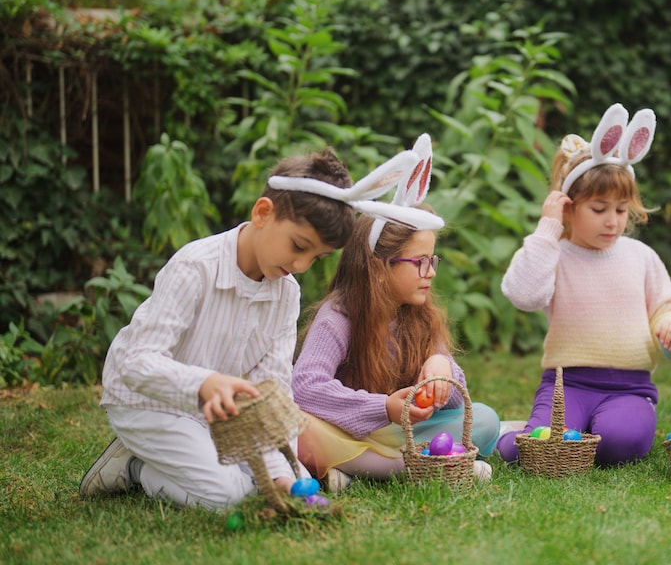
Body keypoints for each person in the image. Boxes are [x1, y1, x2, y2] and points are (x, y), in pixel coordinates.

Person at [79, 145, 424, 509]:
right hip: (148, 401)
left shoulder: (285, 292)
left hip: (213, 413)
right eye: (298, 246)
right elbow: (136, 363)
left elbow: (272, 388)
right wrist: (204, 383)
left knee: (297, 481)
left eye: (317, 257)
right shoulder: (196, 267)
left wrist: (281, 474)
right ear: (263, 212)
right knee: (227, 496)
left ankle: (199, 459)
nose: (302, 265)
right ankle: (135, 466)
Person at [291, 134, 500, 491]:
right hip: (344, 428)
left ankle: (360, 469)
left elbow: (455, 393)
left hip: (398, 433)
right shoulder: (338, 317)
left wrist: (441, 370)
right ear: (378, 266)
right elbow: (304, 388)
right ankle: (410, 468)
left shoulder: (420, 315)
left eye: (432, 260)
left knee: (485, 419)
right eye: (419, 262)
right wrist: (384, 407)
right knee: (298, 424)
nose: (430, 272)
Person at [496, 103, 671, 467]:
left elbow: (664, 309)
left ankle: (582, 435)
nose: (613, 222)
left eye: (620, 210)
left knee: (621, 444)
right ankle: (512, 434)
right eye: (598, 209)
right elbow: (522, 295)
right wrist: (547, 229)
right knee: (540, 451)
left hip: (630, 387)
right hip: (566, 385)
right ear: (570, 207)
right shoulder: (555, 254)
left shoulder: (641, 256)